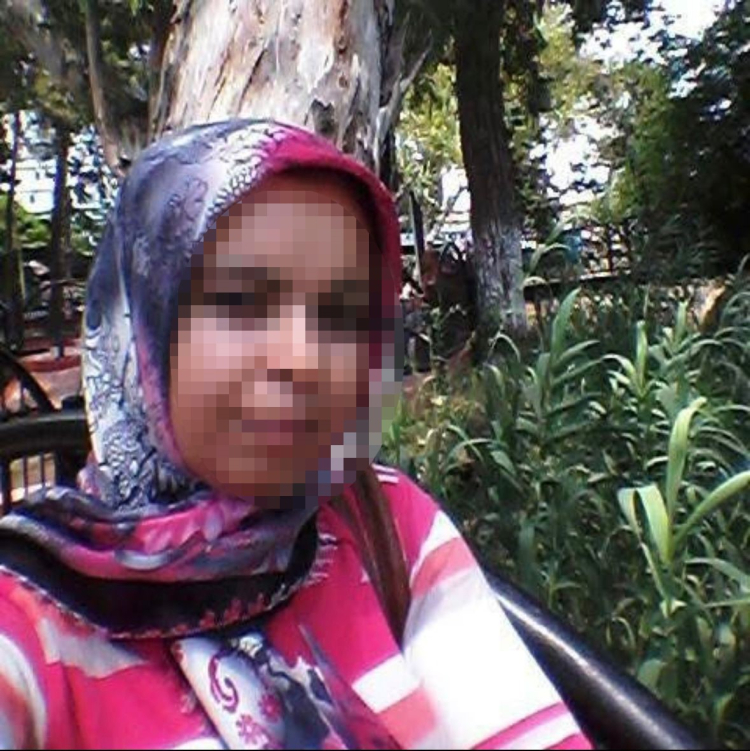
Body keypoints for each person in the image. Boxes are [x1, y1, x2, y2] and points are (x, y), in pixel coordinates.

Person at [0, 120, 590, 750]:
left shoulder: (386, 526)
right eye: (241, 301)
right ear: (142, 322)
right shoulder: (31, 620)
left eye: (339, 313)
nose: (303, 359)